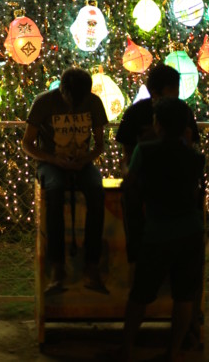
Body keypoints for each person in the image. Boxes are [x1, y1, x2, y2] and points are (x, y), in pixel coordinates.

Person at [117, 97, 205, 362]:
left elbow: (129, 184)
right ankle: (174, 352)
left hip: (157, 233)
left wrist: (129, 173)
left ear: (158, 124)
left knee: (141, 294)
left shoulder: (145, 151)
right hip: (191, 233)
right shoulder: (196, 158)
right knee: (184, 296)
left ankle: (126, 349)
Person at [22, 66, 109, 293]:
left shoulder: (93, 102)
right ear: (62, 90)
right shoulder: (44, 103)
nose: (74, 104)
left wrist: (85, 159)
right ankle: (57, 267)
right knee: (54, 191)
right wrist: (52, 159)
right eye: (71, 99)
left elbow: (100, 145)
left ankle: (92, 266)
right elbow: (27, 144)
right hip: (51, 163)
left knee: (97, 193)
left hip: (82, 162)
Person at [116, 63, 200, 263]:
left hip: (175, 173)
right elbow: (127, 156)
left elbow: (190, 148)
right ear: (154, 92)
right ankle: (137, 254)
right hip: (145, 176)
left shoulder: (182, 111)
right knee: (131, 197)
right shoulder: (136, 114)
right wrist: (130, 171)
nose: (176, 96)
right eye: (171, 92)